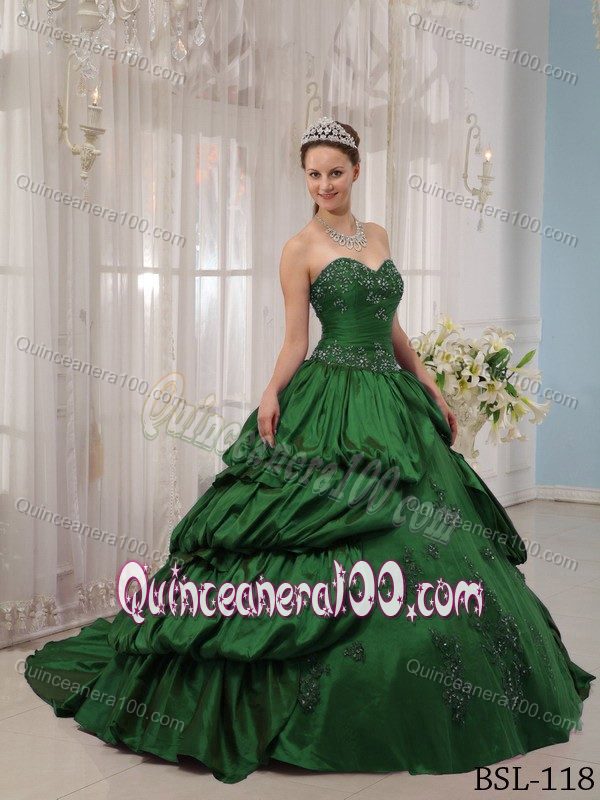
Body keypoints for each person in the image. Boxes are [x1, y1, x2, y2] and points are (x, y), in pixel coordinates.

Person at [23, 116, 595, 785]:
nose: (325, 184)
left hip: (393, 402)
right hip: (330, 400)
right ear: (306, 178)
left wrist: (427, 380)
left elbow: (392, 325)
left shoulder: (378, 235)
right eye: (314, 174)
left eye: (335, 172)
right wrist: (272, 392)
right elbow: (297, 339)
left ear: (356, 171)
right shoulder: (299, 248)